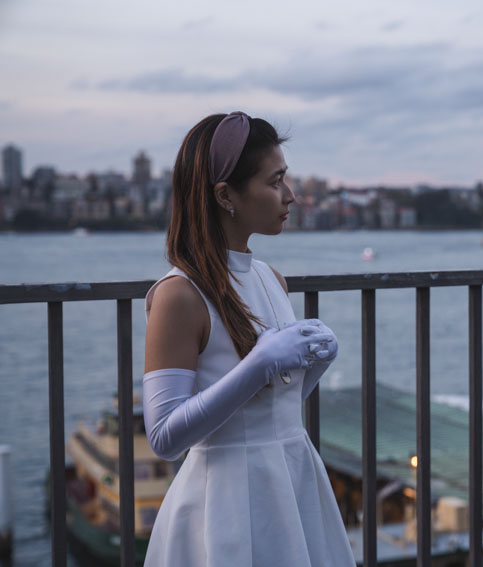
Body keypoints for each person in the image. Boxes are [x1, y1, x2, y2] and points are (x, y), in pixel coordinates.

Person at [142, 111, 356, 566]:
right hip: (224, 503)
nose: (291, 195)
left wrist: (309, 369)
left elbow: (268, 410)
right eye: (275, 181)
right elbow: (164, 436)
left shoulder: (271, 279)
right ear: (226, 196)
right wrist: (259, 364)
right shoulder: (179, 295)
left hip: (292, 481)